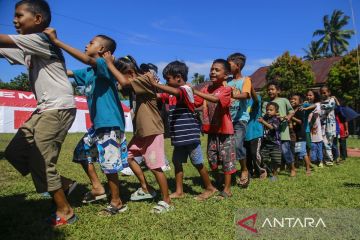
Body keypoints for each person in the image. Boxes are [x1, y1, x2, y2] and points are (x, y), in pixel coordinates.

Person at [0, 0, 77, 226]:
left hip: (58, 106)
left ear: (38, 19)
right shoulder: (28, 48)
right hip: (44, 108)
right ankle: (64, 185)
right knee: (15, 152)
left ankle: (65, 211)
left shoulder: (41, 39)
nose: (14, 20)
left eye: (19, 15)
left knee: (41, 160)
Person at [44, 28, 128, 215]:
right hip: (97, 125)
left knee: (109, 164)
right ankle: (98, 187)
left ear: (102, 50)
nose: (85, 45)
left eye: (90, 43)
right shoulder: (89, 72)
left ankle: (117, 201)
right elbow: (68, 72)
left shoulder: (103, 66)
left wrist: (58, 42)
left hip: (110, 124)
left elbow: (87, 59)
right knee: (81, 152)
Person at [104, 53, 173, 213]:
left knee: (155, 166)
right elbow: (120, 86)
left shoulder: (145, 78)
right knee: (127, 156)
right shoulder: (132, 83)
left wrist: (110, 64)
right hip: (141, 132)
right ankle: (146, 187)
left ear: (128, 71)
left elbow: (123, 82)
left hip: (152, 130)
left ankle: (167, 200)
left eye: (121, 72)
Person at [150, 60, 218, 200]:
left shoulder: (186, 90)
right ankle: (179, 191)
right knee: (177, 162)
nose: (166, 82)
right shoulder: (171, 94)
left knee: (197, 162)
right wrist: (148, 87)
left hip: (190, 136)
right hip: (179, 137)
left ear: (179, 77)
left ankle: (210, 188)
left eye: (168, 79)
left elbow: (175, 91)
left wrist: (156, 84)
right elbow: (158, 96)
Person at [193, 59, 236, 199]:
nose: (213, 71)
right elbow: (195, 102)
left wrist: (195, 90)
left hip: (225, 131)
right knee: (212, 158)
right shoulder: (206, 88)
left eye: (217, 70)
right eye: (212, 69)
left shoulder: (226, 89)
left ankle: (227, 189)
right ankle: (218, 181)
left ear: (226, 75)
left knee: (226, 159)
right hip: (212, 131)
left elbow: (215, 99)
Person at [226, 53, 251, 188]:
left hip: (240, 119)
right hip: (227, 119)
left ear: (238, 65)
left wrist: (231, 94)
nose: (226, 67)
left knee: (237, 145)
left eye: (229, 64)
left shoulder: (246, 80)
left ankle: (244, 169)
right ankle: (228, 171)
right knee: (227, 147)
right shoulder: (227, 81)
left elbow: (246, 94)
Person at [267, 82, 296, 176]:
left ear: (278, 91)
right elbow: (265, 116)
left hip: (283, 132)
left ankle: (292, 169)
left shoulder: (284, 100)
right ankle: (275, 173)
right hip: (272, 133)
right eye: (268, 89)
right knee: (274, 154)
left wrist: (288, 116)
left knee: (286, 151)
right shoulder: (267, 103)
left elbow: (291, 111)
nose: (270, 91)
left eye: (272, 89)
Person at [245, 85, 266, 179]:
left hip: (255, 131)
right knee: (247, 154)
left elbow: (256, 101)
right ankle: (249, 171)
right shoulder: (241, 101)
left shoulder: (256, 98)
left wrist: (250, 87)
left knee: (254, 153)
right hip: (244, 132)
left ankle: (261, 170)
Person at [258, 102, 282, 178]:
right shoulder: (265, 117)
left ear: (276, 112)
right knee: (264, 158)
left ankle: (274, 174)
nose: (268, 111)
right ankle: (266, 172)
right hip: (265, 143)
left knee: (276, 160)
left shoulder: (276, 119)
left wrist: (263, 122)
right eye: (267, 110)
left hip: (275, 144)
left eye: (271, 110)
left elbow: (272, 127)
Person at [290, 94, 311, 176]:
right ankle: (295, 166)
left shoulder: (300, 110)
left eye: (295, 99)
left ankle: (308, 169)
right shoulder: (292, 110)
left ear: (300, 102)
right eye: (291, 99)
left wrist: (291, 117)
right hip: (294, 134)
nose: (292, 100)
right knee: (296, 151)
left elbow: (300, 121)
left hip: (300, 134)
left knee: (302, 152)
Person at [306, 90, 324, 167]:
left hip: (316, 128)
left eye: (310, 95)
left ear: (315, 96)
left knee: (319, 145)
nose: (308, 97)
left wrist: (306, 107)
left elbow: (315, 109)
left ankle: (320, 161)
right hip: (309, 128)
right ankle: (313, 160)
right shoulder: (307, 104)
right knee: (312, 145)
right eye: (307, 95)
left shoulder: (317, 104)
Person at [319, 86, 337, 166]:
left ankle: (330, 160)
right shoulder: (321, 101)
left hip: (330, 124)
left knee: (329, 142)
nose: (323, 94)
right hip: (323, 124)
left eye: (324, 92)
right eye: (321, 93)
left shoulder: (331, 100)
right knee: (324, 141)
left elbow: (329, 106)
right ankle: (326, 159)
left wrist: (318, 105)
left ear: (329, 92)